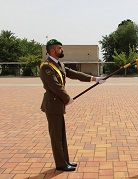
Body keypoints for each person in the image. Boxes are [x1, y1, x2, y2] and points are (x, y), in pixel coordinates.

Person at [40, 39, 106, 171]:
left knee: (61, 134)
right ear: (52, 50)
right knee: (56, 136)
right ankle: (60, 164)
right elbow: (55, 86)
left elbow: (75, 74)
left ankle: (65, 160)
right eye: (60, 48)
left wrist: (94, 79)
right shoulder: (46, 66)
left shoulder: (59, 64)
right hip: (53, 104)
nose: (62, 50)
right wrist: (67, 98)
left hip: (58, 104)